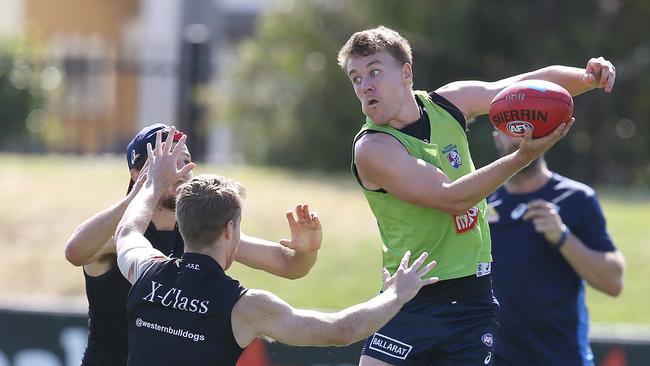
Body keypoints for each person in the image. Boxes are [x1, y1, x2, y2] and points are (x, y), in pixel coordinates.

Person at [336, 25, 616, 365]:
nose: (365, 86)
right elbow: (451, 197)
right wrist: (520, 157)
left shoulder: (451, 102)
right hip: (408, 300)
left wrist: (587, 77)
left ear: (406, 73)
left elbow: (521, 87)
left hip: (472, 302)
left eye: (374, 72)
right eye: (356, 79)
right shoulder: (373, 147)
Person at [114, 127, 439, 365]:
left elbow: (128, 230)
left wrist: (153, 182)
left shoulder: (146, 269)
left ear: (183, 226)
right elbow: (341, 330)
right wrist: (398, 293)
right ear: (230, 230)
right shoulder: (245, 307)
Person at [64, 123, 323, 365]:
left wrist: (307, 251)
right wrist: (144, 190)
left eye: (185, 161)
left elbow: (290, 266)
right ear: (137, 173)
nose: (181, 171)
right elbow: (75, 252)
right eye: (167, 163)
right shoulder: (118, 234)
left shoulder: (197, 231)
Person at [487, 131, 625, 366]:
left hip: (562, 357)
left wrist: (562, 237)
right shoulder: (480, 201)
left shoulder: (576, 198)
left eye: (525, 128)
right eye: (510, 129)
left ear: (543, 134)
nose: (519, 137)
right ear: (496, 137)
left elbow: (613, 280)